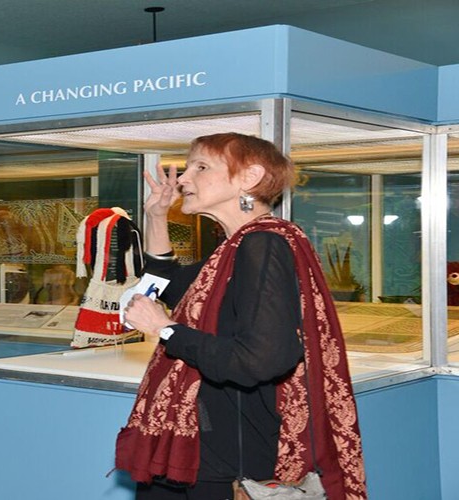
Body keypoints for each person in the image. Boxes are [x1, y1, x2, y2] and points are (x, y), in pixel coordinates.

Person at [117, 133, 367, 499]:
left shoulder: (261, 245)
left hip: (230, 455)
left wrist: (165, 329)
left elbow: (262, 359)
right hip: (210, 444)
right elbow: (173, 287)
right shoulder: (238, 245)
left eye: (201, 167)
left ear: (249, 178)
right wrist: (157, 217)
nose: (184, 179)